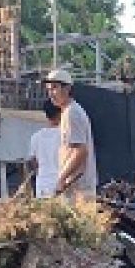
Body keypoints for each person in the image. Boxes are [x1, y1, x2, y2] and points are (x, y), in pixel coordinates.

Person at [44, 68, 97, 198]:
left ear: (67, 89)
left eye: (54, 88)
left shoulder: (71, 113)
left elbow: (80, 151)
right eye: (49, 89)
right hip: (75, 186)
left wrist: (61, 179)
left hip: (77, 189)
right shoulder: (69, 111)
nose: (51, 93)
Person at [27, 100, 61, 198]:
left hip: (42, 184)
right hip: (61, 184)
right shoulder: (65, 135)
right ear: (60, 113)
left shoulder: (35, 137)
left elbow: (33, 161)